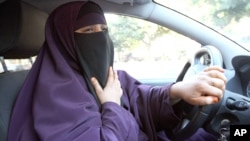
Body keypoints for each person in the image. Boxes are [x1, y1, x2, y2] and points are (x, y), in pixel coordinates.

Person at [8, 1, 227, 141]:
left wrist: (177, 91)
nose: (100, 38)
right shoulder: (54, 97)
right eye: (88, 31)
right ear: (66, 41)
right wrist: (111, 105)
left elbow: (139, 100)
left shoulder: (106, 75)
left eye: (104, 30)